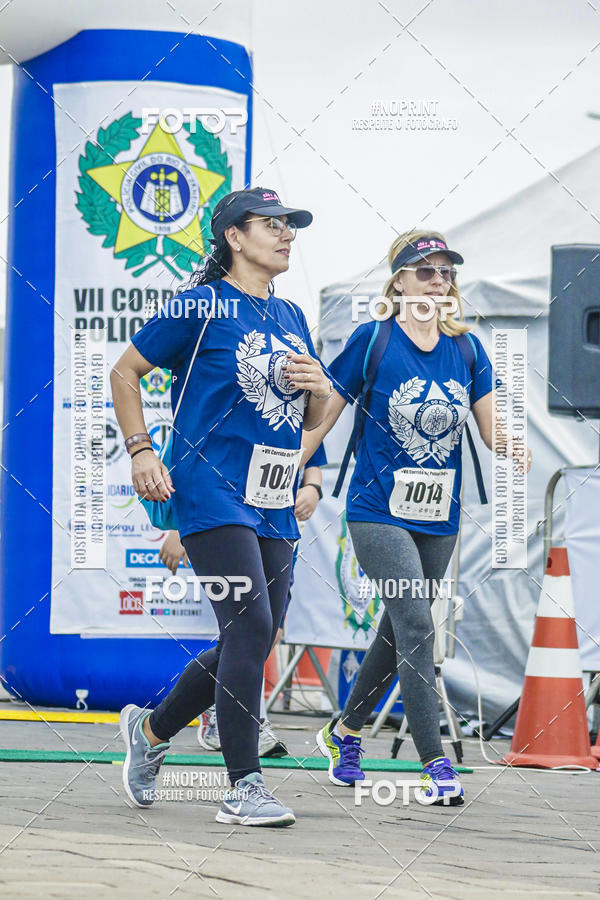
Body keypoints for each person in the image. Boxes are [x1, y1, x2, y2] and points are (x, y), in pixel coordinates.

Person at [110, 187, 333, 827]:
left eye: (292, 225)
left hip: (272, 493)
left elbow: (311, 418)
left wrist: (321, 393)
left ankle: (151, 732)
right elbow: (127, 372)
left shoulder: (290, 313)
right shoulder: (201, 305)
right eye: (272, 225)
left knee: (253, 633)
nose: (287, 234)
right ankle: (243, 787)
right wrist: (140, 450)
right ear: (234, 237)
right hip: (209, 488)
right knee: (249, 629)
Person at [302, 230, 532, 806]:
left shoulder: (468, 348)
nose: (438, 280)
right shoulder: (372, 340)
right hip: (377, 510)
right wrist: (288, 469)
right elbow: (322, 418)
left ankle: (344, 730)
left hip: (439, 515)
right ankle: (436, 767)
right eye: (425, 271)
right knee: (417, 625)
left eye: (446, 272)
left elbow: (488, 425)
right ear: (399, 280)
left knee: (399, 627)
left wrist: (513, 444)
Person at [196, 445, 326, 757]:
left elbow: (314, 456)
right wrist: (176, 528)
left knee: (268, 633)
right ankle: (247, 723)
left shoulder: (301, 405)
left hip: (279, 525)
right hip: (230, 515)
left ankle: (204, 709)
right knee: (245, 630)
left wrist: (312, 487)